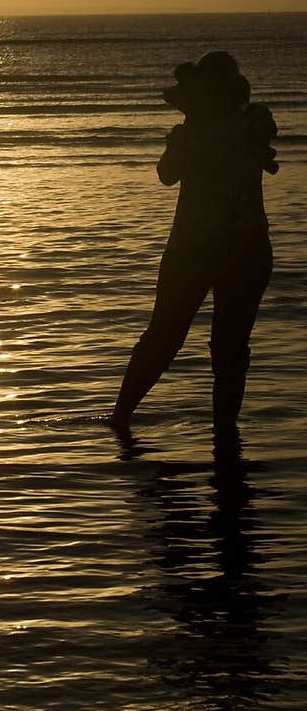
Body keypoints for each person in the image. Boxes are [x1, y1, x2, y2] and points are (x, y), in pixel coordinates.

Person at [111, 51, 277, 433]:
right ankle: (224, 432)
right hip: (244, 248)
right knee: (229, 349)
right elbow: (172, 172)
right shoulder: (248, 126)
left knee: (165, 338)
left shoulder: (218, 131)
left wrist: (187, 133)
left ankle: (122, 418)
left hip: (195, 248)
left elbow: (166, 175)